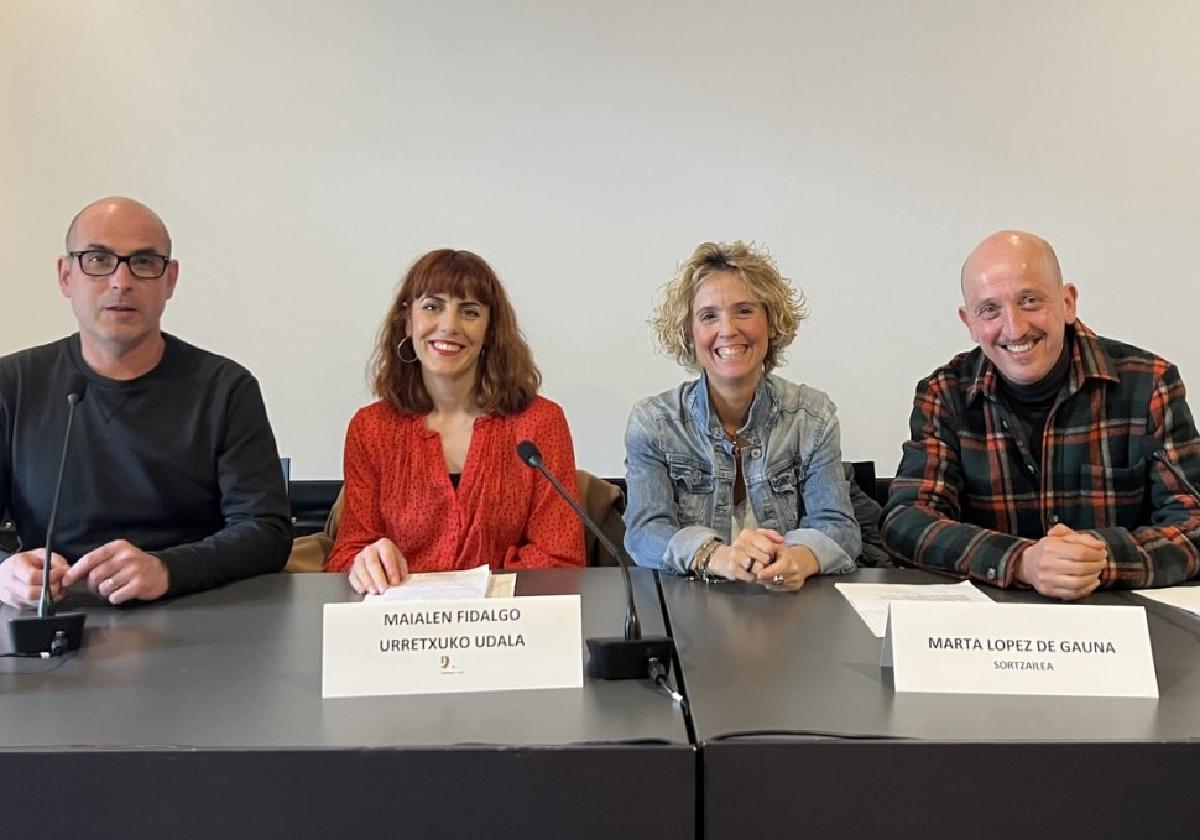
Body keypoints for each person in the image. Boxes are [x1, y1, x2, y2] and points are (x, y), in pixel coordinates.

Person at [0, 196, 291, 607]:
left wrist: (167, 570)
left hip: (194, 613)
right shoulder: (12, 384)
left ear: (170, 280)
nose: (121, 281)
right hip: (57, 615)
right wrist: (5, 572)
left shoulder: (225, 387)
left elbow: (267, 530)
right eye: (98, 260)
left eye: (143, 262)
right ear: (66, 276)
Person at [882, 230, 1200, 598]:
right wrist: (1021, 561)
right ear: (968, 322)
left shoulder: (1149, 383)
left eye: (1030, 300)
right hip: (989, 631)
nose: (1014, 327)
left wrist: (1098, 557)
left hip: (1121, 626)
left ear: (1068, 303)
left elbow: (1194, 521)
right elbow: (906, 521)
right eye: (990, 310)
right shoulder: (944, 394)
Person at [325, 249, 585, 593]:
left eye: (470, 311)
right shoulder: (371, 429)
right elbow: (347, 553)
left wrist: (473, 598)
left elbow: (561, 556)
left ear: (490, 330)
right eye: (432, 306)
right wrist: (365, 562)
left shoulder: (540, 422)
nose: (449, 326)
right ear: (408, 320)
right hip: (402, 629)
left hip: (507, 627)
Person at [623, 241, 860, 591]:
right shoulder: (654, 423)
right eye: (708, 316)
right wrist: (715, 556)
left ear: (771, 321)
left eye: (745, 310)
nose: (728, 329)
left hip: (788, 612)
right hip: (689, 614)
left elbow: (838, 527)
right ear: (690, 333)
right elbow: (645, 533)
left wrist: (798, 559)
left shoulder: (812, 416)